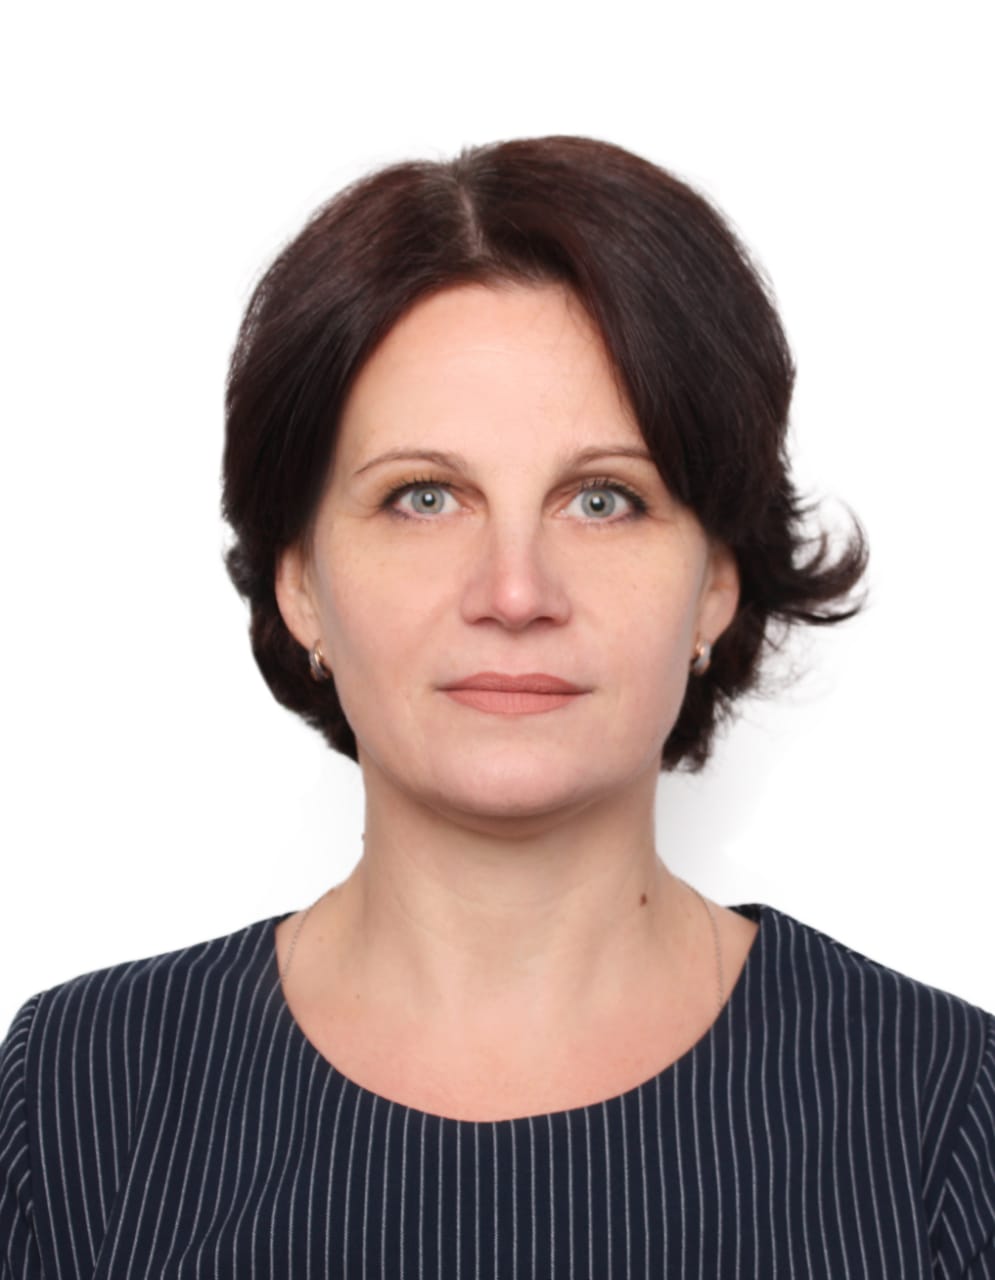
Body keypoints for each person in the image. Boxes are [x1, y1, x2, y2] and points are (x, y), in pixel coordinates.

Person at [1, 136, 992, 1278]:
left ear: (716, 582)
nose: (514, 593)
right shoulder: (85, 1092)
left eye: (603, 499)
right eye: (424, 497)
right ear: (300, 582)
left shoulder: (940, 1110)